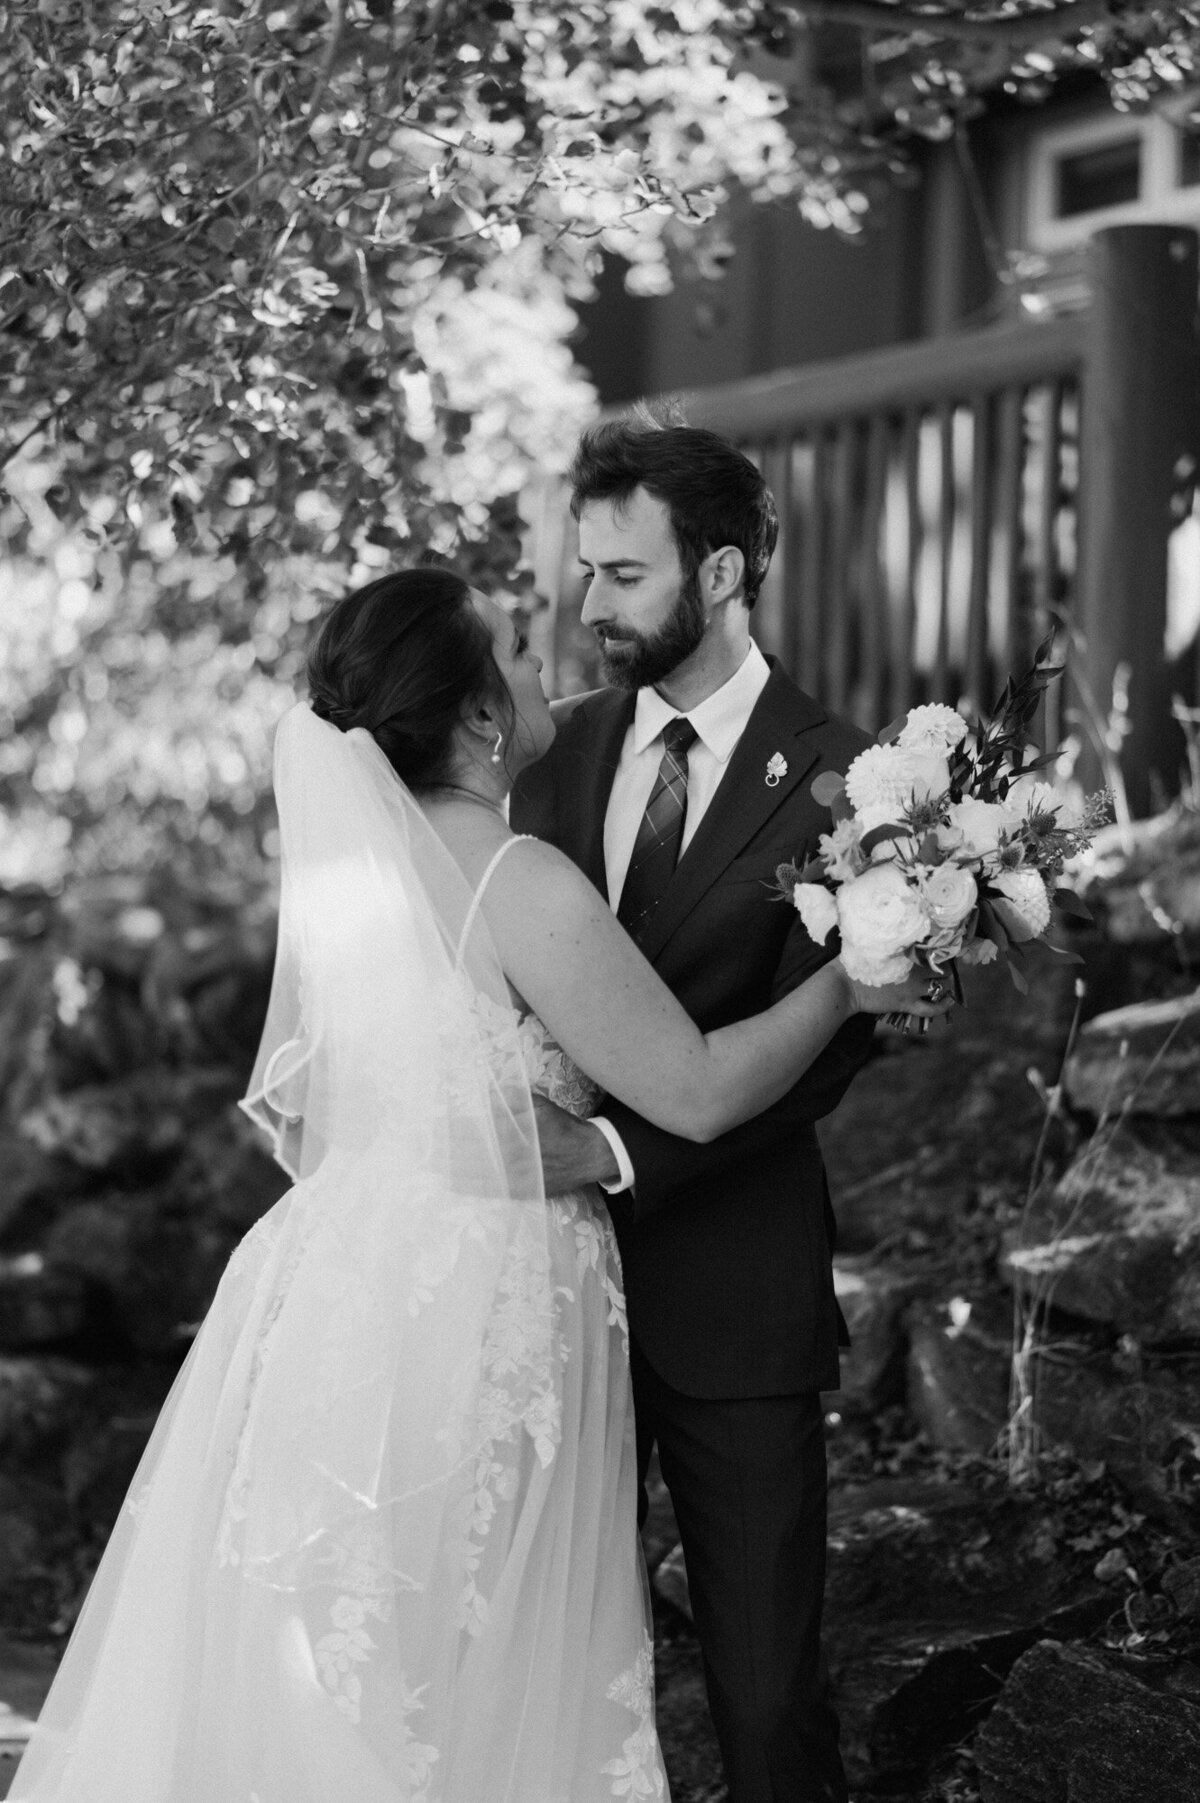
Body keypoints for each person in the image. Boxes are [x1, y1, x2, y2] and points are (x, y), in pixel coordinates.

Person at [11, 568, 945, 1803]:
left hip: (347, 1281)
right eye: (511, 642)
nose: (543, 646)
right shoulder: (517, 881)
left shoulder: (362, 882)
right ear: (480, 719)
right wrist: (851, 977)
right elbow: (703, 1091)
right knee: (473, 1658)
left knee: (374, 1646)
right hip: (486, 1302)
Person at [511, 420, 903, 1803]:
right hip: (538, 1300)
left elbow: (826, 1047)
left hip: (734, 1295)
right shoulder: (548, 754)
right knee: (542, 1668)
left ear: (721, 568)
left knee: (764, 1691)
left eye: (623, 575)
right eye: (587, 572)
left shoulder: (856, 784)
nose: (591, 606)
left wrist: (613, 1149)